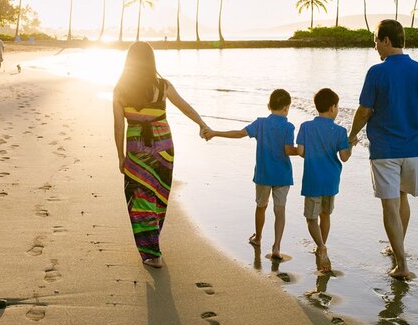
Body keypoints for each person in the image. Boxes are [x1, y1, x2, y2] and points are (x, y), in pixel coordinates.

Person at [348, 19, 418, 279]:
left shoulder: (376, 72)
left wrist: (352, 134)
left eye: (376, 40)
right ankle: (396, 246)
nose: (375, 46)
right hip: (413, 148)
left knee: (390, 205)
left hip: (385, 150)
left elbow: (365, 110)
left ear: (386, 40)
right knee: (402, 198)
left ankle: (402, 265)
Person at [112, 41, 210, 268]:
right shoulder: (163, 85)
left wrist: (120, 156)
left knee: (140, 196)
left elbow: (118, 127)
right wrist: (201, 123)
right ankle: (153, 244)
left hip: (137, 148)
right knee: (159, 194)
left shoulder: (120, 89)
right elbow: (184, 107)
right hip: (164, 146)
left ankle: (151, 251)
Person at [207, 89, 298, 259]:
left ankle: (258, 237)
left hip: (264, 175)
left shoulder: (260, 124)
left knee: (261, 206)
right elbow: (288, 150)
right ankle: (277, 246)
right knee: (280, 210)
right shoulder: (288, 126)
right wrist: (302, 151)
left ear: (269, 106)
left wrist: (215, 133)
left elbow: (239, 134)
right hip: (282, 176)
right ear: (287, 108)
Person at [296, 88, 351, 272]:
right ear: (332, 107)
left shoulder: (305, 127)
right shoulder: (340, 131)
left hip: (313, 179)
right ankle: (322, 247)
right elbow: (344, 157)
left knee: (311, 218)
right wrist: (350, 145)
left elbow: (302, 152)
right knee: (325, 215)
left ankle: (321, 247)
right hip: (331, 180)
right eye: (337, 107)